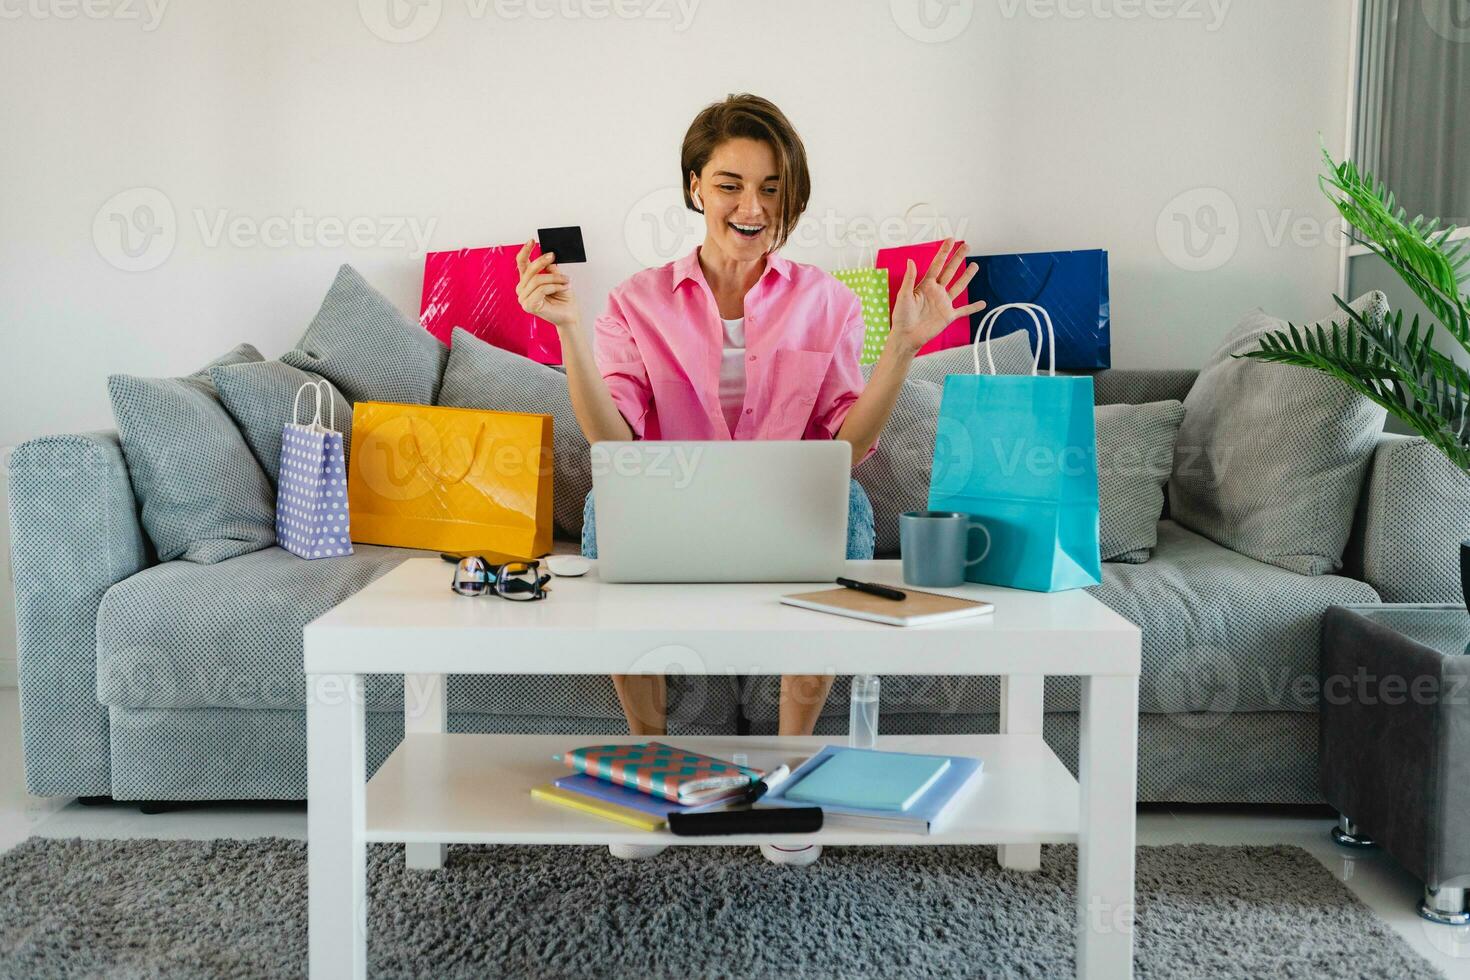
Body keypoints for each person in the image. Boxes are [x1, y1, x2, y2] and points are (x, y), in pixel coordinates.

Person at [515, 94, 984, 854]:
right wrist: (569, 330)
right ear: (696, 185)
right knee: (609, 510)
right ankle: (648, 760)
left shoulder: (826, 303)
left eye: (771, 188)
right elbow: (615, 444)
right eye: (731, 183)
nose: (752, 206)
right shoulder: (636, 304)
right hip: (668, 507)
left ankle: (793, 773)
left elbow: (845, 446)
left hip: (789, 508)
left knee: (851, 511)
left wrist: (901, 349)